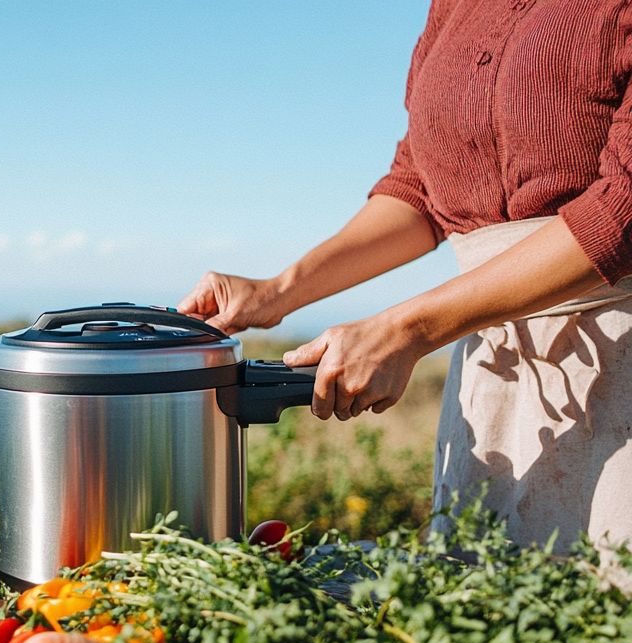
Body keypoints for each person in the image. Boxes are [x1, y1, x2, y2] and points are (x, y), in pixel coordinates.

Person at [178, 0, 632, 552]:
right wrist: (280, 291)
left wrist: (407, 329)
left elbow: (621, 213)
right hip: (495, 374)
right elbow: (419, 184)